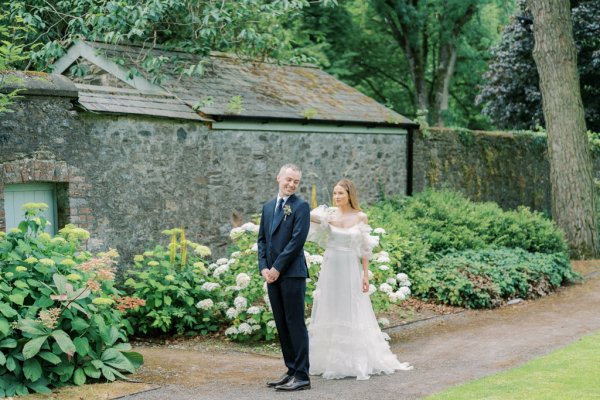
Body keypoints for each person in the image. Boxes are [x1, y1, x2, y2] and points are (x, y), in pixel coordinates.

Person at [307, 179, 413, 380]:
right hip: (331, 265)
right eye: (334, 193)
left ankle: (353, 360)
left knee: (352, 306)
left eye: (340, 193)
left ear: (349, 195)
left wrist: (365, 274)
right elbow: (307, 218)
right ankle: (327, 359)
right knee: (331, 305)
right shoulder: (328, 214)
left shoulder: (360, 216)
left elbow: (365, 248)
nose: (336, 197)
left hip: (350, 266)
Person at [257, 164, 311, 391]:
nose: (291, 184)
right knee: (281, 322)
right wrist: (264, 268)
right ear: (278, 177)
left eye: (295, 182)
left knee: (294, 323)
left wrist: (277, 268)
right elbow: (262, 240)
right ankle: (291, 370)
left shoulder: (301, 207)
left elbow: (297, 241)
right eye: (288, 179)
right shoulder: (269, 207)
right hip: (272, 275)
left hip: (292, 273)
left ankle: (302, 376)